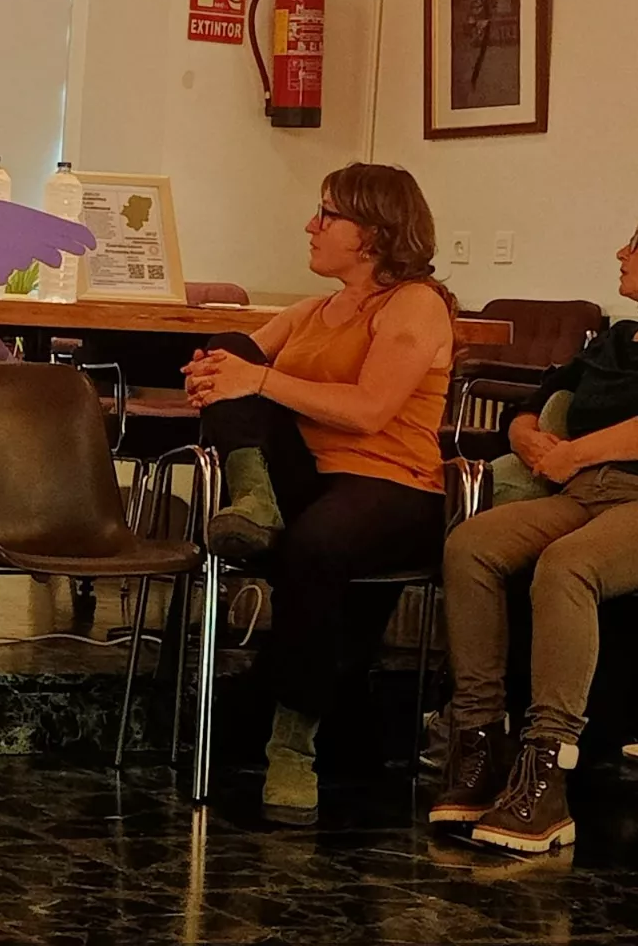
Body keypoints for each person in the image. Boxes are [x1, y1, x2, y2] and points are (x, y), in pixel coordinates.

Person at [184, 163, 454, 824]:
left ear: (374, 232)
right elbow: (232, 367)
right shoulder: (309, 312)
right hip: (307, 477)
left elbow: (368, 411)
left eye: (328, 213)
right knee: (227, 344)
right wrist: (210, 376)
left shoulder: (415, 303)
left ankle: (292, 747)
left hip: (391, 483)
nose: (312, 225)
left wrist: (255, 382)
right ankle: (254, 502)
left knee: (314, 545)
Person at [431, 224, 638, 853]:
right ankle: (479, 742)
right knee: (471, 546)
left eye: (636, 244)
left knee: (568, 565)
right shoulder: (617, 340)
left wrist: (575, 451)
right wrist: (525, 436)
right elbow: (539, 397)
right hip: (582, 492)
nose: (621, 252)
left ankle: (548, 771)